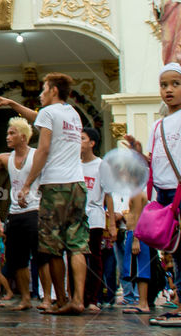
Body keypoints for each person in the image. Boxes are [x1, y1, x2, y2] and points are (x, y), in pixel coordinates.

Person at [0, 73, 89, 315]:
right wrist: (13, 104)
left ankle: (62, 299)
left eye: (44, 89)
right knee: (76, 245)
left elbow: (43, 149)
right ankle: (77, 299)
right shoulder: (72, 114)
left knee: (52, 246)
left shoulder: (49, 112)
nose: (41, 94)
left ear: (54, 90)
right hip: (77, 183)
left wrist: (27, 184)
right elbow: (39, 119)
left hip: (55, 185)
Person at [127, 56, 181, 327]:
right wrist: (139, 154)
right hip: (164, 194)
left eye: (176, 84)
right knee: (176, 250)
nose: (169, 90)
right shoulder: (157, 125)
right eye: (164, 85)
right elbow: (157, 161)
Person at [0, 117, 49, 311]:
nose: (8, 136)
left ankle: (47, 298)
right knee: (18, 259)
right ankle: (25, 298)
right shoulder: (6, 158)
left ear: (23, 137)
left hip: (35, 211)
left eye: (12, 133)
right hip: (15, 214)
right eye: (8, 132)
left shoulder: (37, 155)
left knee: (41, 257)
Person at [80, 127, 115, 311]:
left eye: (82, 139)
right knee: (77, 258)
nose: (79, 142)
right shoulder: (74, 164)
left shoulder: (101, 165)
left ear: (92, 143)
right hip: (77, 218)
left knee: (94, 259)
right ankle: (78, 297)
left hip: (94, 217)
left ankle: (93, 299)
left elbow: (108, 195)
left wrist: (113, 225)